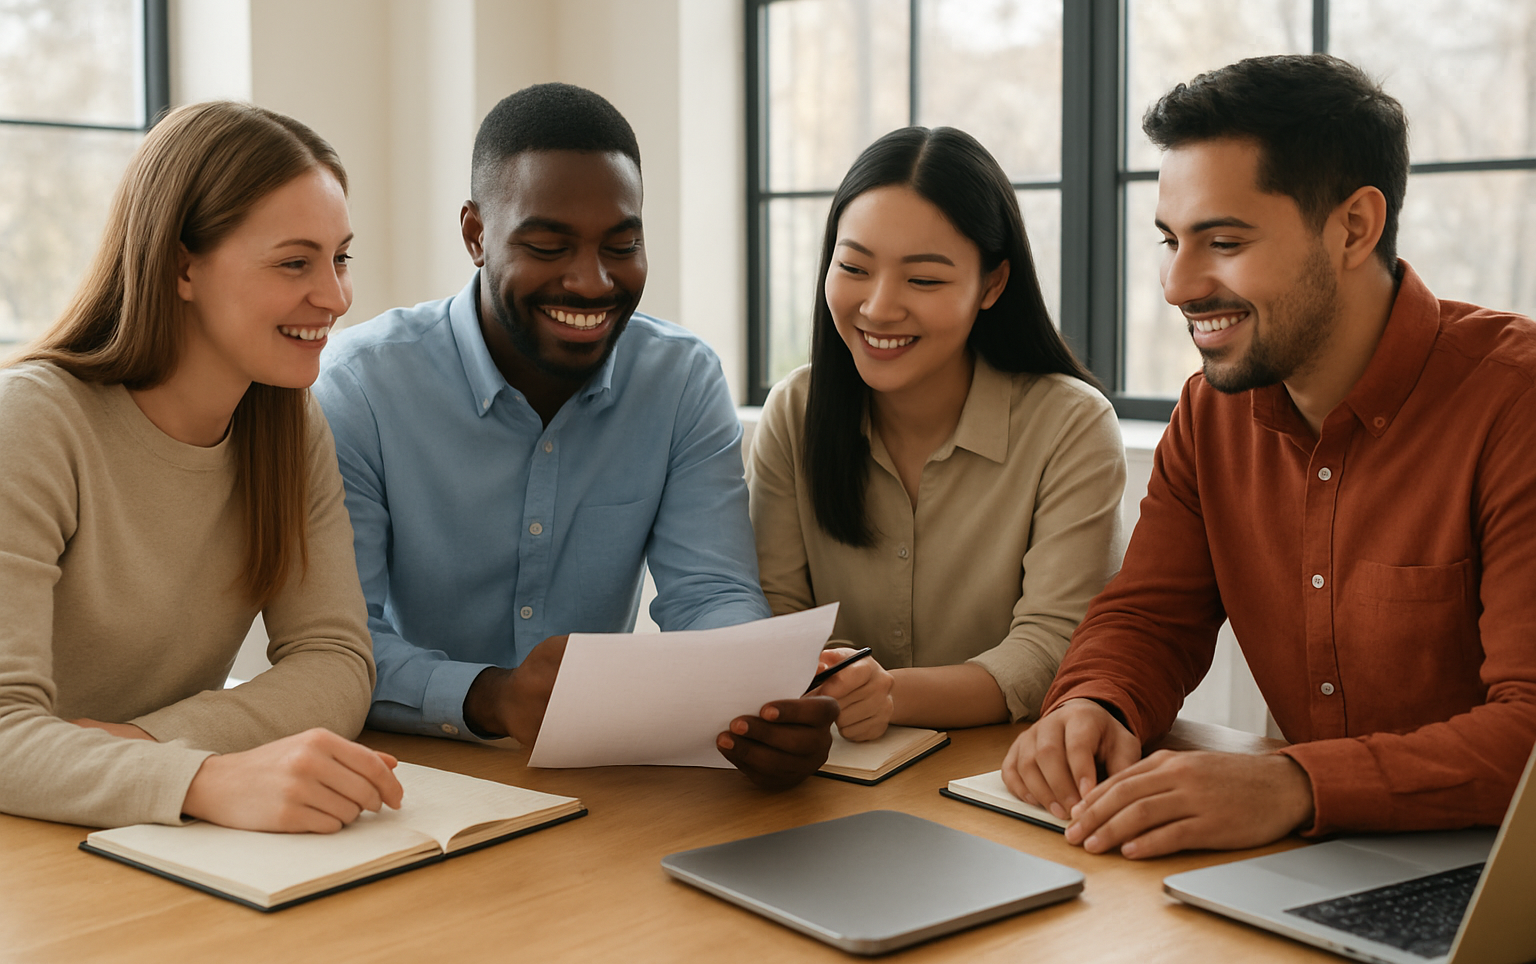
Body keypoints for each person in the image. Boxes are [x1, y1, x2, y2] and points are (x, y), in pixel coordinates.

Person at [1001, 53, 1536, 858]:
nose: (1178, 284)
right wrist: (1095, 705)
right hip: (1322, 860)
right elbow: (1150, 617)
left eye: (1222, 240)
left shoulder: (1515, 403)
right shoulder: (1208, 415)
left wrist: (1296, 784)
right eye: (1169, 240)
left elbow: (1528, 730)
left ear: (1355, 226)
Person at [313, 83, 836, 789]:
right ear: (476, 234)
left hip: (601, 783)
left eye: (622, 244)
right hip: (405, 778)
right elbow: (335, 644)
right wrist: (490, 695)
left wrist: (757, 697)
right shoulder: (362, 387)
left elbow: (709, 591)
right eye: (549, 245)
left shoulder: (680, 380)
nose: (592, 282)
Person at [0, 101, 403, 830]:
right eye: (294, 262)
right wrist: (204, 781)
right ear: (184, 267)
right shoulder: (31, 422)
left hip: (132, 832)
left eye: (339, 258)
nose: (337, 297)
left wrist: (157, 747)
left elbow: (337, 660)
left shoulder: (288, 424)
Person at [748, 126, 1126, 742]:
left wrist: (889, 694)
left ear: (993, 285)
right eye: (854, 267)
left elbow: (1053, 645)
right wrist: (834, 680)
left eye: (923, 280)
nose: (878, 307)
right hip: (829, 768)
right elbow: (774, 614)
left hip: (997, 772)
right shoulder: (796, 409)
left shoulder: (1071, 425)